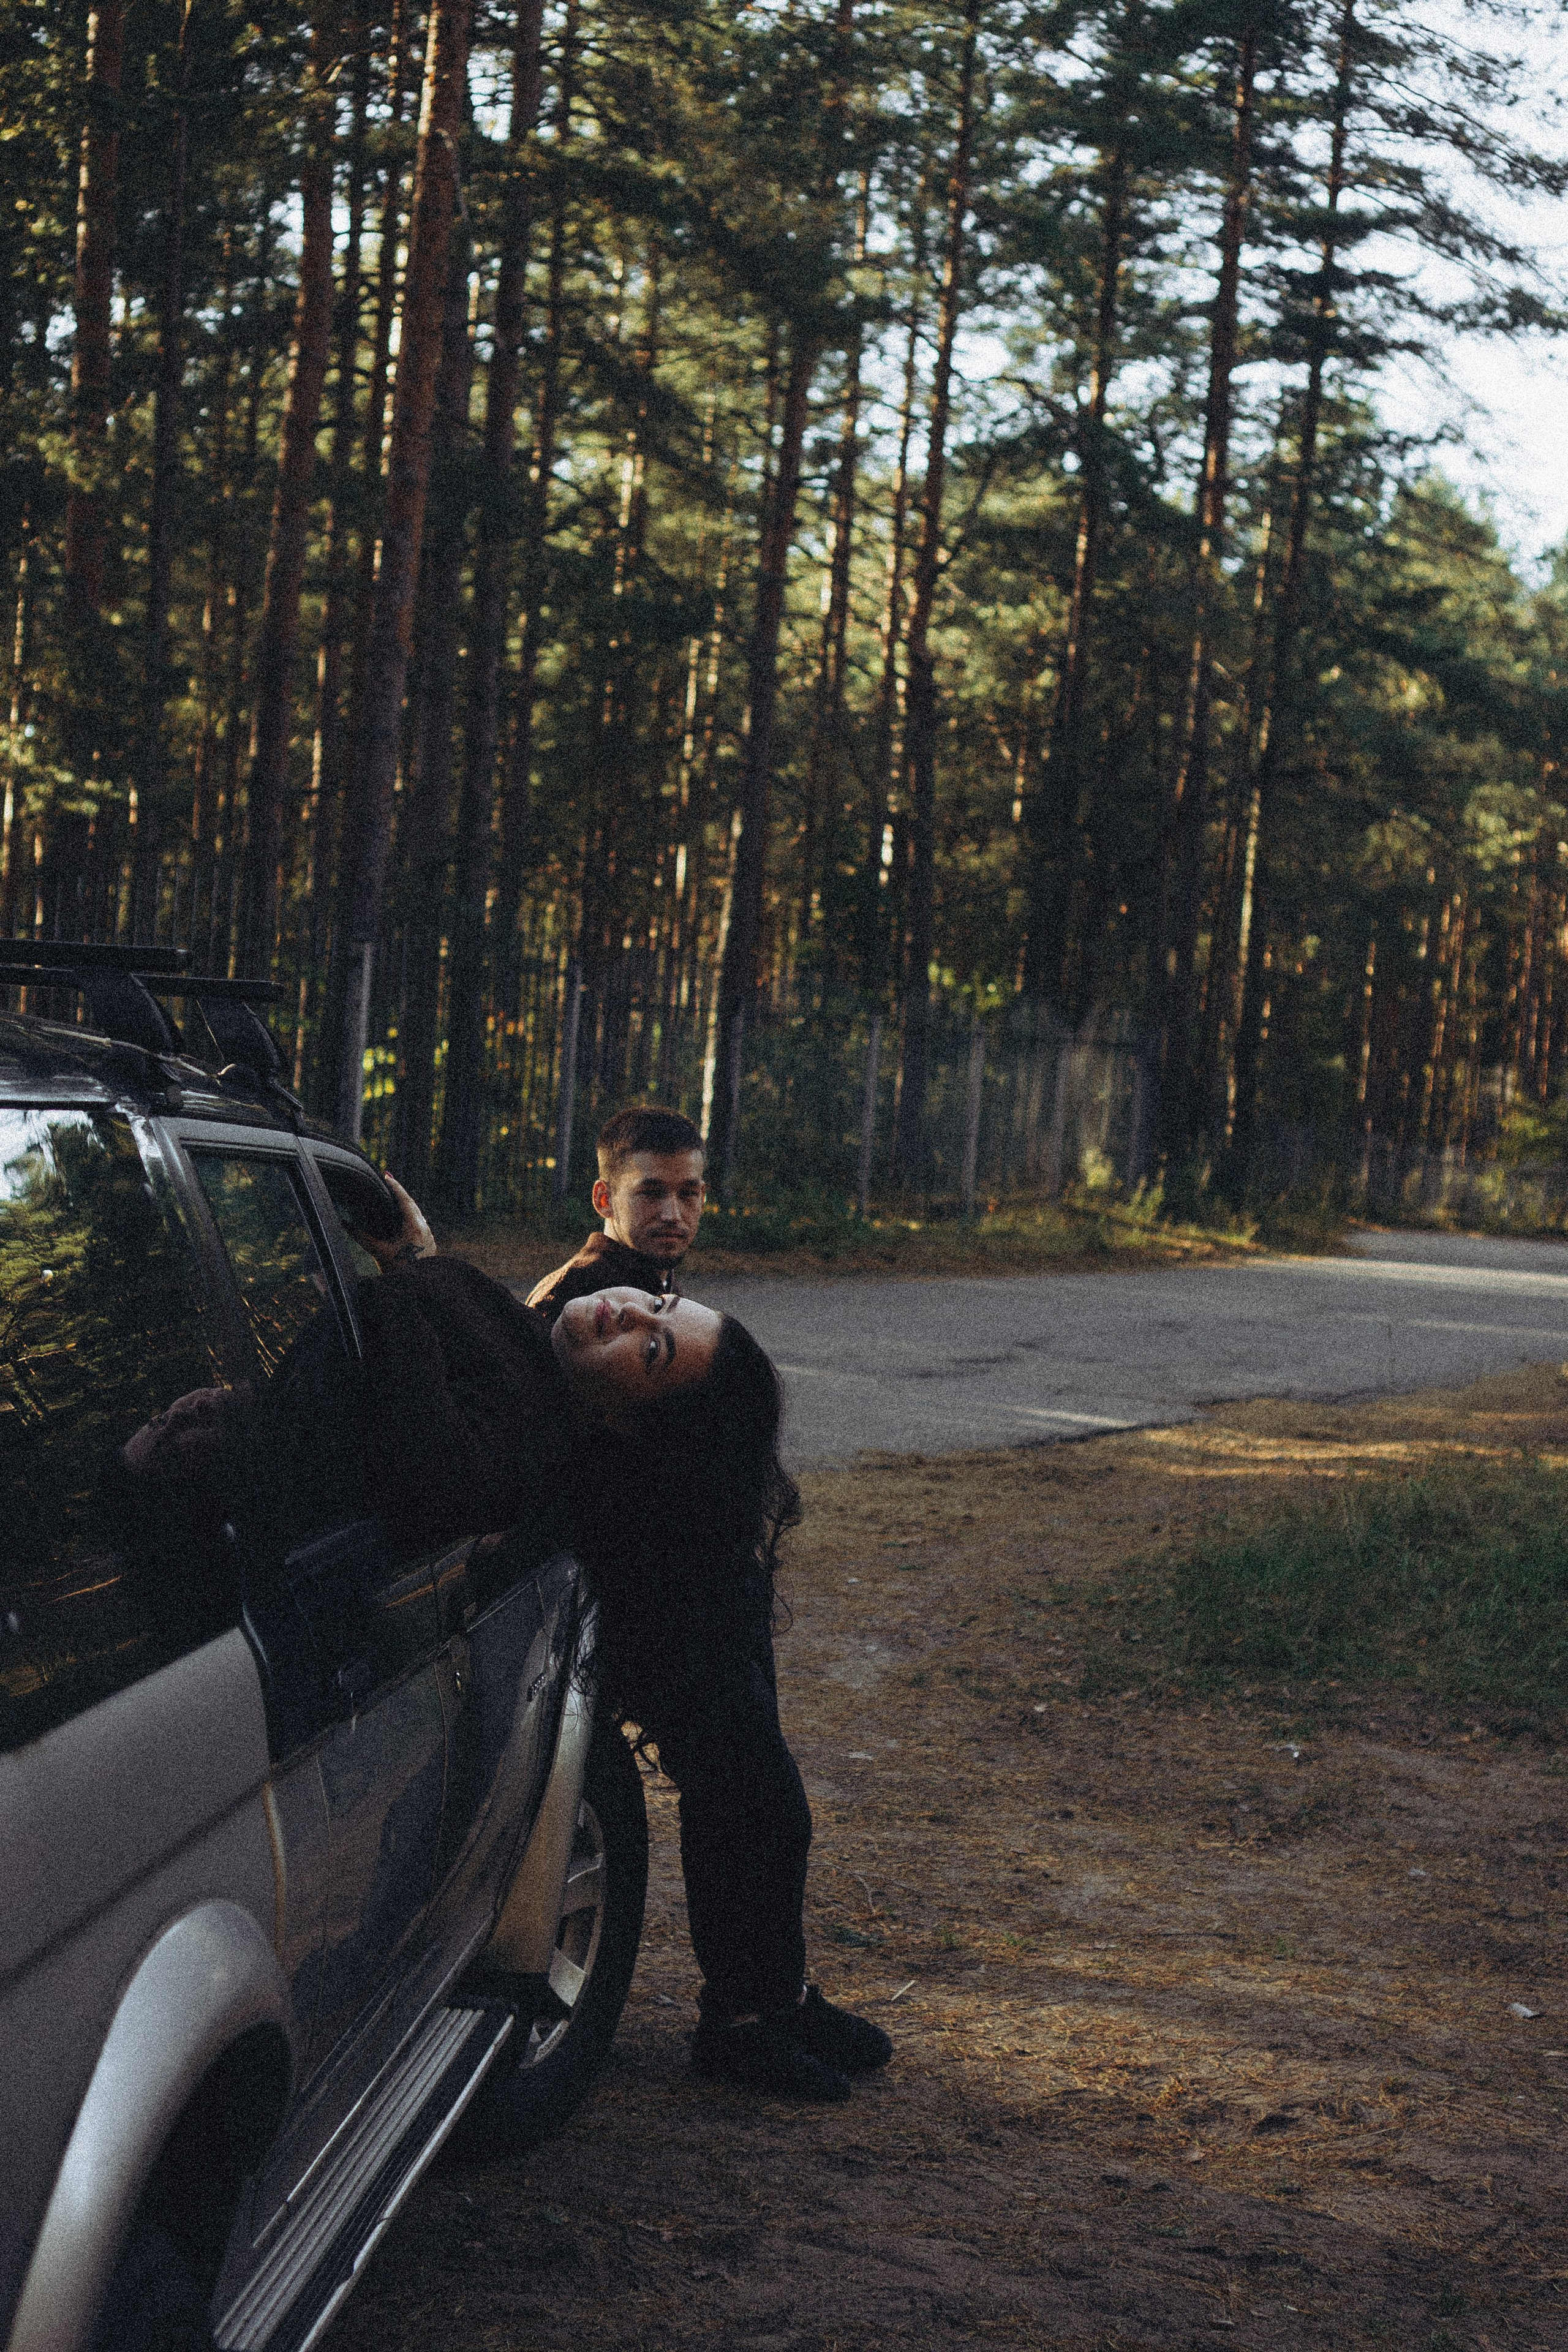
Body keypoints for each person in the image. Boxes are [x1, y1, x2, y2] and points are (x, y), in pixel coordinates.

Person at [352, 1178, 892, 2103]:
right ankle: (748, 2019)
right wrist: (411, 1259)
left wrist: (416, 1260)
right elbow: (441, 1347)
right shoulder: (534, 1382)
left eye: (649, 1345)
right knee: (750, 1788)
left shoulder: (569, 1405)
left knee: (767, 1798)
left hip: (652, 1586)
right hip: (604, 1612)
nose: (622, 1311)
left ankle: (773, 1998)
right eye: (659, 1311)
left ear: (630, 1425)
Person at [527, 1105, 706, 1319]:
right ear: (604, 1199)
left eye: (688, 1193)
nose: (673, 1215)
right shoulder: (566, 1302)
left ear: (702, 1197)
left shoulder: (666, 1290)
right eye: (651, 1193)